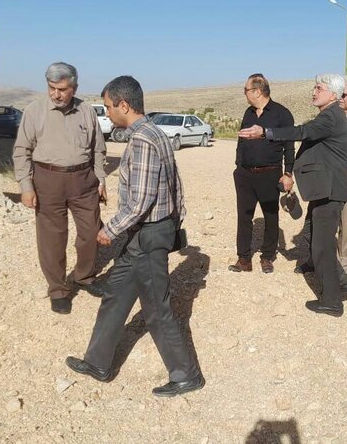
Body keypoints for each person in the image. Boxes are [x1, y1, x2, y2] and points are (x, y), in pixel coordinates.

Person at [66, 76, 204, 397]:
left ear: (124, 105)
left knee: (156, 309)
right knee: (115, 295)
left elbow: (141, 201)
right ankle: (98, 362)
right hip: (143, 234)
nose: (107, 112)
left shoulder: (142, 140)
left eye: (108, 107)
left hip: (147, 234)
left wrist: (109, 230)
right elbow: (176, 186)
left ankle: (187, 375)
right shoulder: (155, 133)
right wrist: (175, 221)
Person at [239, 74, 347, 317]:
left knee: (322, 247)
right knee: (313, 237)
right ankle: (342, 283)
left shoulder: (330, 116)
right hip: (323, 189)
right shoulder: (330, 114)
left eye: (319, 88)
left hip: (330, 190)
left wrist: (265, 132)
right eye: (314, 87)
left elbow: (302, 132)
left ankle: (332, 301)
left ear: (333, 94)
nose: (314, 92)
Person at [13, 62, 107, 315]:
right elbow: (22, 151)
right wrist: (26, 186)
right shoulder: (34, 111)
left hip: (84, 180)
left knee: (91, 232)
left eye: (62, 89)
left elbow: (98, 148)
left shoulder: (86, 111)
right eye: (52, 88)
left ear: (74, 87)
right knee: (52, 239)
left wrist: (101, 179)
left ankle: (84, 276)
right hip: (48, 180)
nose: (56, 94)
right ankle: (58, 290)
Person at [295, 77, 347, 298]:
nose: (342, 98)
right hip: (327, 174)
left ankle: (343, 271)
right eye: (340, 94)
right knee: (317, 221)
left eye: (345, 94)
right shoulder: (331, 115)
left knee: (346, 225)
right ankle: (317, 261)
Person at [229, 73, 295, 274]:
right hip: (245, 175)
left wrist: (288, 173)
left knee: (271, 217)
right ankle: (244, 259)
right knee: (244, 216)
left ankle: (267, 257)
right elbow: (241, 141)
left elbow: (289, 146)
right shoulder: (248, 113)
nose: (244, 93)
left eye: (246, 90)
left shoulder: (282, 114)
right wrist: (238, 166)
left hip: (270, 174)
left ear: (257, 91)